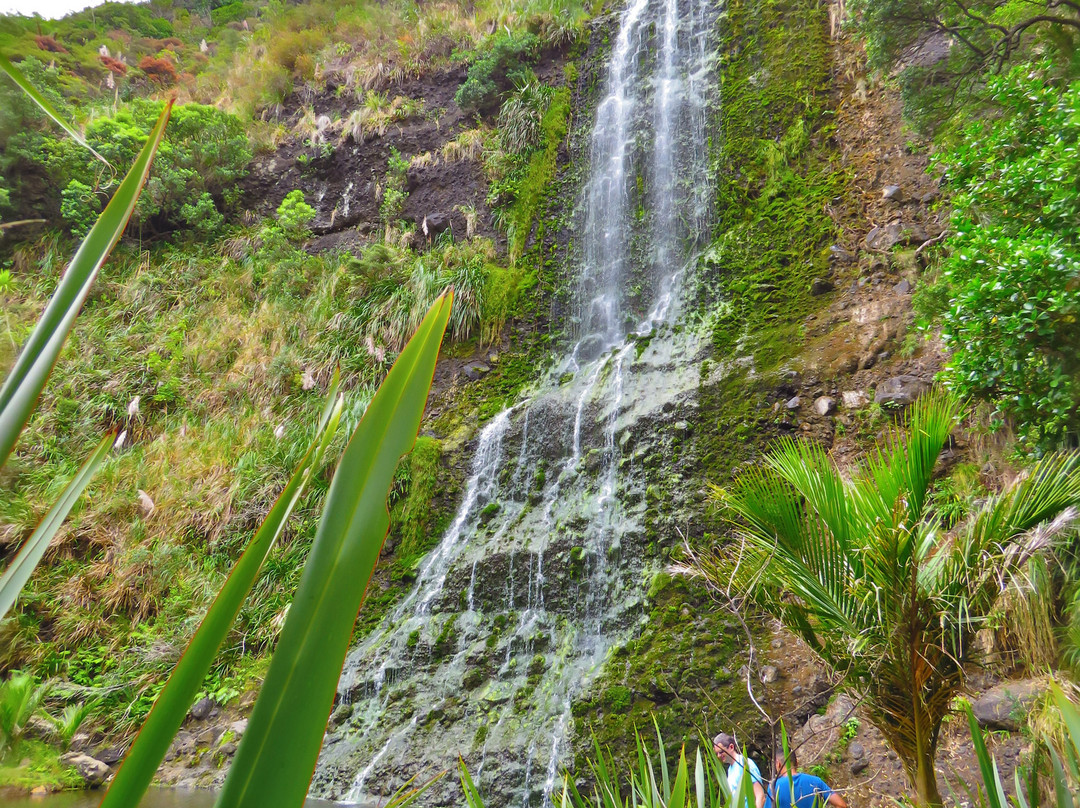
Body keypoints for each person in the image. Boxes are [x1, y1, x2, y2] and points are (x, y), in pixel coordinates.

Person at [768, 748, 848, 808]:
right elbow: (842, 805)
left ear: (778, 764)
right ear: (797, 762)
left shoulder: (774, 786)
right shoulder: (816, 782)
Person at [713, 732, 766, 808]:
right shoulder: (730, 770)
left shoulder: (745, 764)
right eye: (716, 753)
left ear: (731, 747)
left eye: (721, 752)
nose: (718, 756)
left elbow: (760, 796)